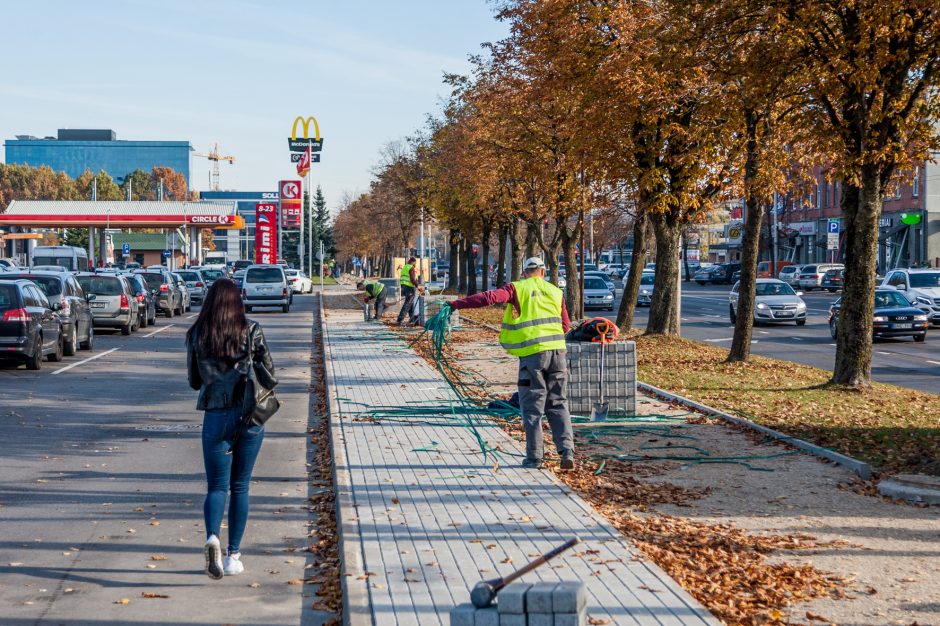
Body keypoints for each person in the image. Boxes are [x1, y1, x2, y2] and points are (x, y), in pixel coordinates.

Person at [186, 279, 277, 579]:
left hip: (215, 414)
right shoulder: (251, 329)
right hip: (249, 415)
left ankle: (212, 536)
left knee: (216, 486)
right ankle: (233, 555)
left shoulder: (199, 333)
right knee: (241, 486)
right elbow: (269, 372)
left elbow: (195, 381)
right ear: (238, 301)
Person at [450, 257, 575, 470]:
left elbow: (489, 297)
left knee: (532, 406)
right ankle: (567, 451)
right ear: (543, 272)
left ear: (525, 273)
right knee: (558, 403)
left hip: (533, 356)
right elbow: (565, 325)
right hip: (558, 354)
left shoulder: (517, 288)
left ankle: (535, 457)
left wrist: (456, 304)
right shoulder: (556, 291)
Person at [397, 256, 422, 325]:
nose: (415, 265)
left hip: (404, 287)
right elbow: (412, 279)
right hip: (409, 288)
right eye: (415, 263)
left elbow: (403, 279)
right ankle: (400, 319)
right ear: (413, 262)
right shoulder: (411, 268)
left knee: (411, 304)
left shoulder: (405, 267)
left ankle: (412, 318)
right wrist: (418, 286)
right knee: (408, 304)